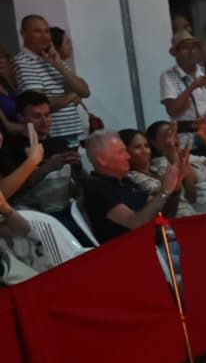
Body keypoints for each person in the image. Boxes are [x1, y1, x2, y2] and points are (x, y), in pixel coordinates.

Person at [81, 129, 182, 243]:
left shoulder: (126, 181)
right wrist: (165, 191)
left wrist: (174, 190)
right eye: (121, 152)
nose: (128, 156)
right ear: (101, 159)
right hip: (130, 252)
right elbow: (135, 223)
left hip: (158, 241)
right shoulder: (97, 188)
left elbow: (161, 213)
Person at [14, 14, 90, 146]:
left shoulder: (52, 58)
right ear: (23, 33)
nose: (44, 36)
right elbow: (39, 104)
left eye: (47, 31)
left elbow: (85, 91)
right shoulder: (23, 62)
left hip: (72, 132)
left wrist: (59, 65)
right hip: (51, 136)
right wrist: (72, 95)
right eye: (37, 31)